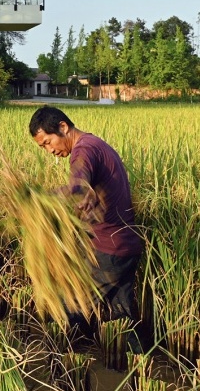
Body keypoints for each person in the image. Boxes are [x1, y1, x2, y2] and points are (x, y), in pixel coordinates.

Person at [28, 106, 144, 350]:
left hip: (109, 249)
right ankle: (139, 366)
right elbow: (85, 191)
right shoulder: (95, 144)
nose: (50, 151)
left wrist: (41, 198)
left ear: (63, 127)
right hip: (125, 246)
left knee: (70, 306)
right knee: (121, 317)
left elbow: (78, 186)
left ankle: (51, 360)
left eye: (48, 142)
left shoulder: (84, 150)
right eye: (43, 147)